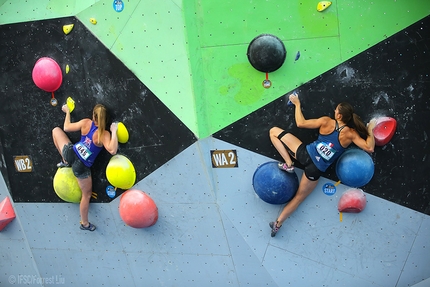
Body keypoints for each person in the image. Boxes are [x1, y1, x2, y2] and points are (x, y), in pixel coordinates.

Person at [268, 93, 376, 237]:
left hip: (305, 154)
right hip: (315, 170)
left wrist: (297, 103)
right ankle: (277, 224)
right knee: (299, 198)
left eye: (336, 110)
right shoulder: (351, 134)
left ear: (339, 116)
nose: (334, 111)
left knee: (273, 132)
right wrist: (370, 130)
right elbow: (370, 148)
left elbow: (301, 123)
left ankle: (288, 163)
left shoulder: (327, 122)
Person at [52, 104, 118, 231]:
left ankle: (64, 160)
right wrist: (114, 131)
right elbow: (113, 150)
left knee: (56, 131)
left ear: (93, 115)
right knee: (86, 195)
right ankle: (85, 224)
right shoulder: (103, 134)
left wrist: (67, 112)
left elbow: (66, 127)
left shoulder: (86, 122)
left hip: (71, 153)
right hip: (81, 166)